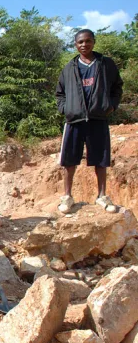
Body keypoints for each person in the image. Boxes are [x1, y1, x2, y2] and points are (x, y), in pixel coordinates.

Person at [56, 29, 124, 214]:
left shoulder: (105, 64)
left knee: (100, 160)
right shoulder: (69, 67)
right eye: (80, 42)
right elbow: (60, 93)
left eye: (87, 41)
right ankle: (67, 197)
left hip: (98, 118)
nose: (84, 45)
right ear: (75, 45)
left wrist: (111, 105)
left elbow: (117, 87)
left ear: (93, 42)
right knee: (69, 160)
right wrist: (66, 108)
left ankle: (102, 196)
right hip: (74, 120)